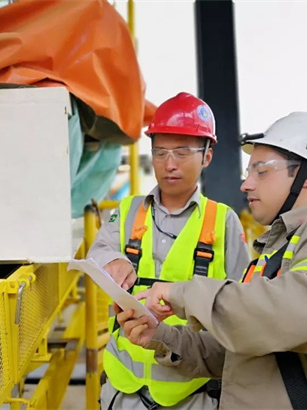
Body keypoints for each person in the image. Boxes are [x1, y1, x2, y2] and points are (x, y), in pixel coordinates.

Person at [117, 111, 307, 409]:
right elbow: (239, 354)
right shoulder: (274, 254)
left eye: (261, 171)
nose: (246, 185)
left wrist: (182, 293)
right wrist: (161, 336)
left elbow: (305, 316)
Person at [87, 92, 250, 409]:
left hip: (190, 393)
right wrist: (113, 259)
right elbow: (99, 249)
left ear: (207, 156)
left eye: (182, 152)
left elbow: (240, 301)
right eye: (160, 152)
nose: (169, 164)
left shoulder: (223, 221)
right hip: (124, 389)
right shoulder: (129, 210)